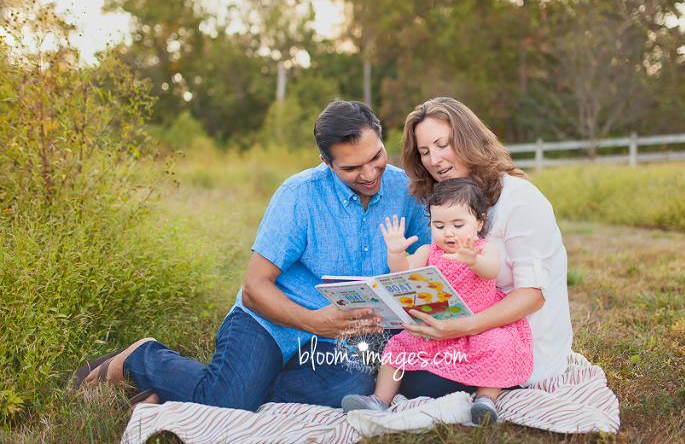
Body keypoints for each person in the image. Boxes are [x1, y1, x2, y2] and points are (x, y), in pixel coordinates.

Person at [73, 100, 431, 411]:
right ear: (326, 161)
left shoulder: (405, 189)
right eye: (351, 168)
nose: (369, 174)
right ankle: (141, 358)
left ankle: (223, 386)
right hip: (269, 320)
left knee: (352, 386)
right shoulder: (299, 195)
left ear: (382, 140)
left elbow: (428, 260)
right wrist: (314, 321)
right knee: (226, 401)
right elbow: (254, 288)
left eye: (375, 157)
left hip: (338, 338)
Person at [392, 96, 573, 399]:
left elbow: (533, 295)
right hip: (464, 335)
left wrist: (462, 327)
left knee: (415, 383)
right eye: (424, 151)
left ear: (468, 141)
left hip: (517, 344)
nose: (433, 160)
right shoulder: (446, 203)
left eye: (442, 144)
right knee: (391, 356)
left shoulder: (521, 199)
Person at [341, 178, 533, 426]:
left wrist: (472, 260)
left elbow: (491, 270)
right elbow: (402, 272)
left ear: (480, 222)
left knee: (499, 344)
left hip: (478, 327)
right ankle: (379, 399)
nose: (449, 232)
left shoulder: (484, 249)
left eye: (458, 224)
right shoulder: (428, 252)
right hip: (436, 325)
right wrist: (396, 252)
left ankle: (485, 400)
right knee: (397, 346)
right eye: (439, 225)